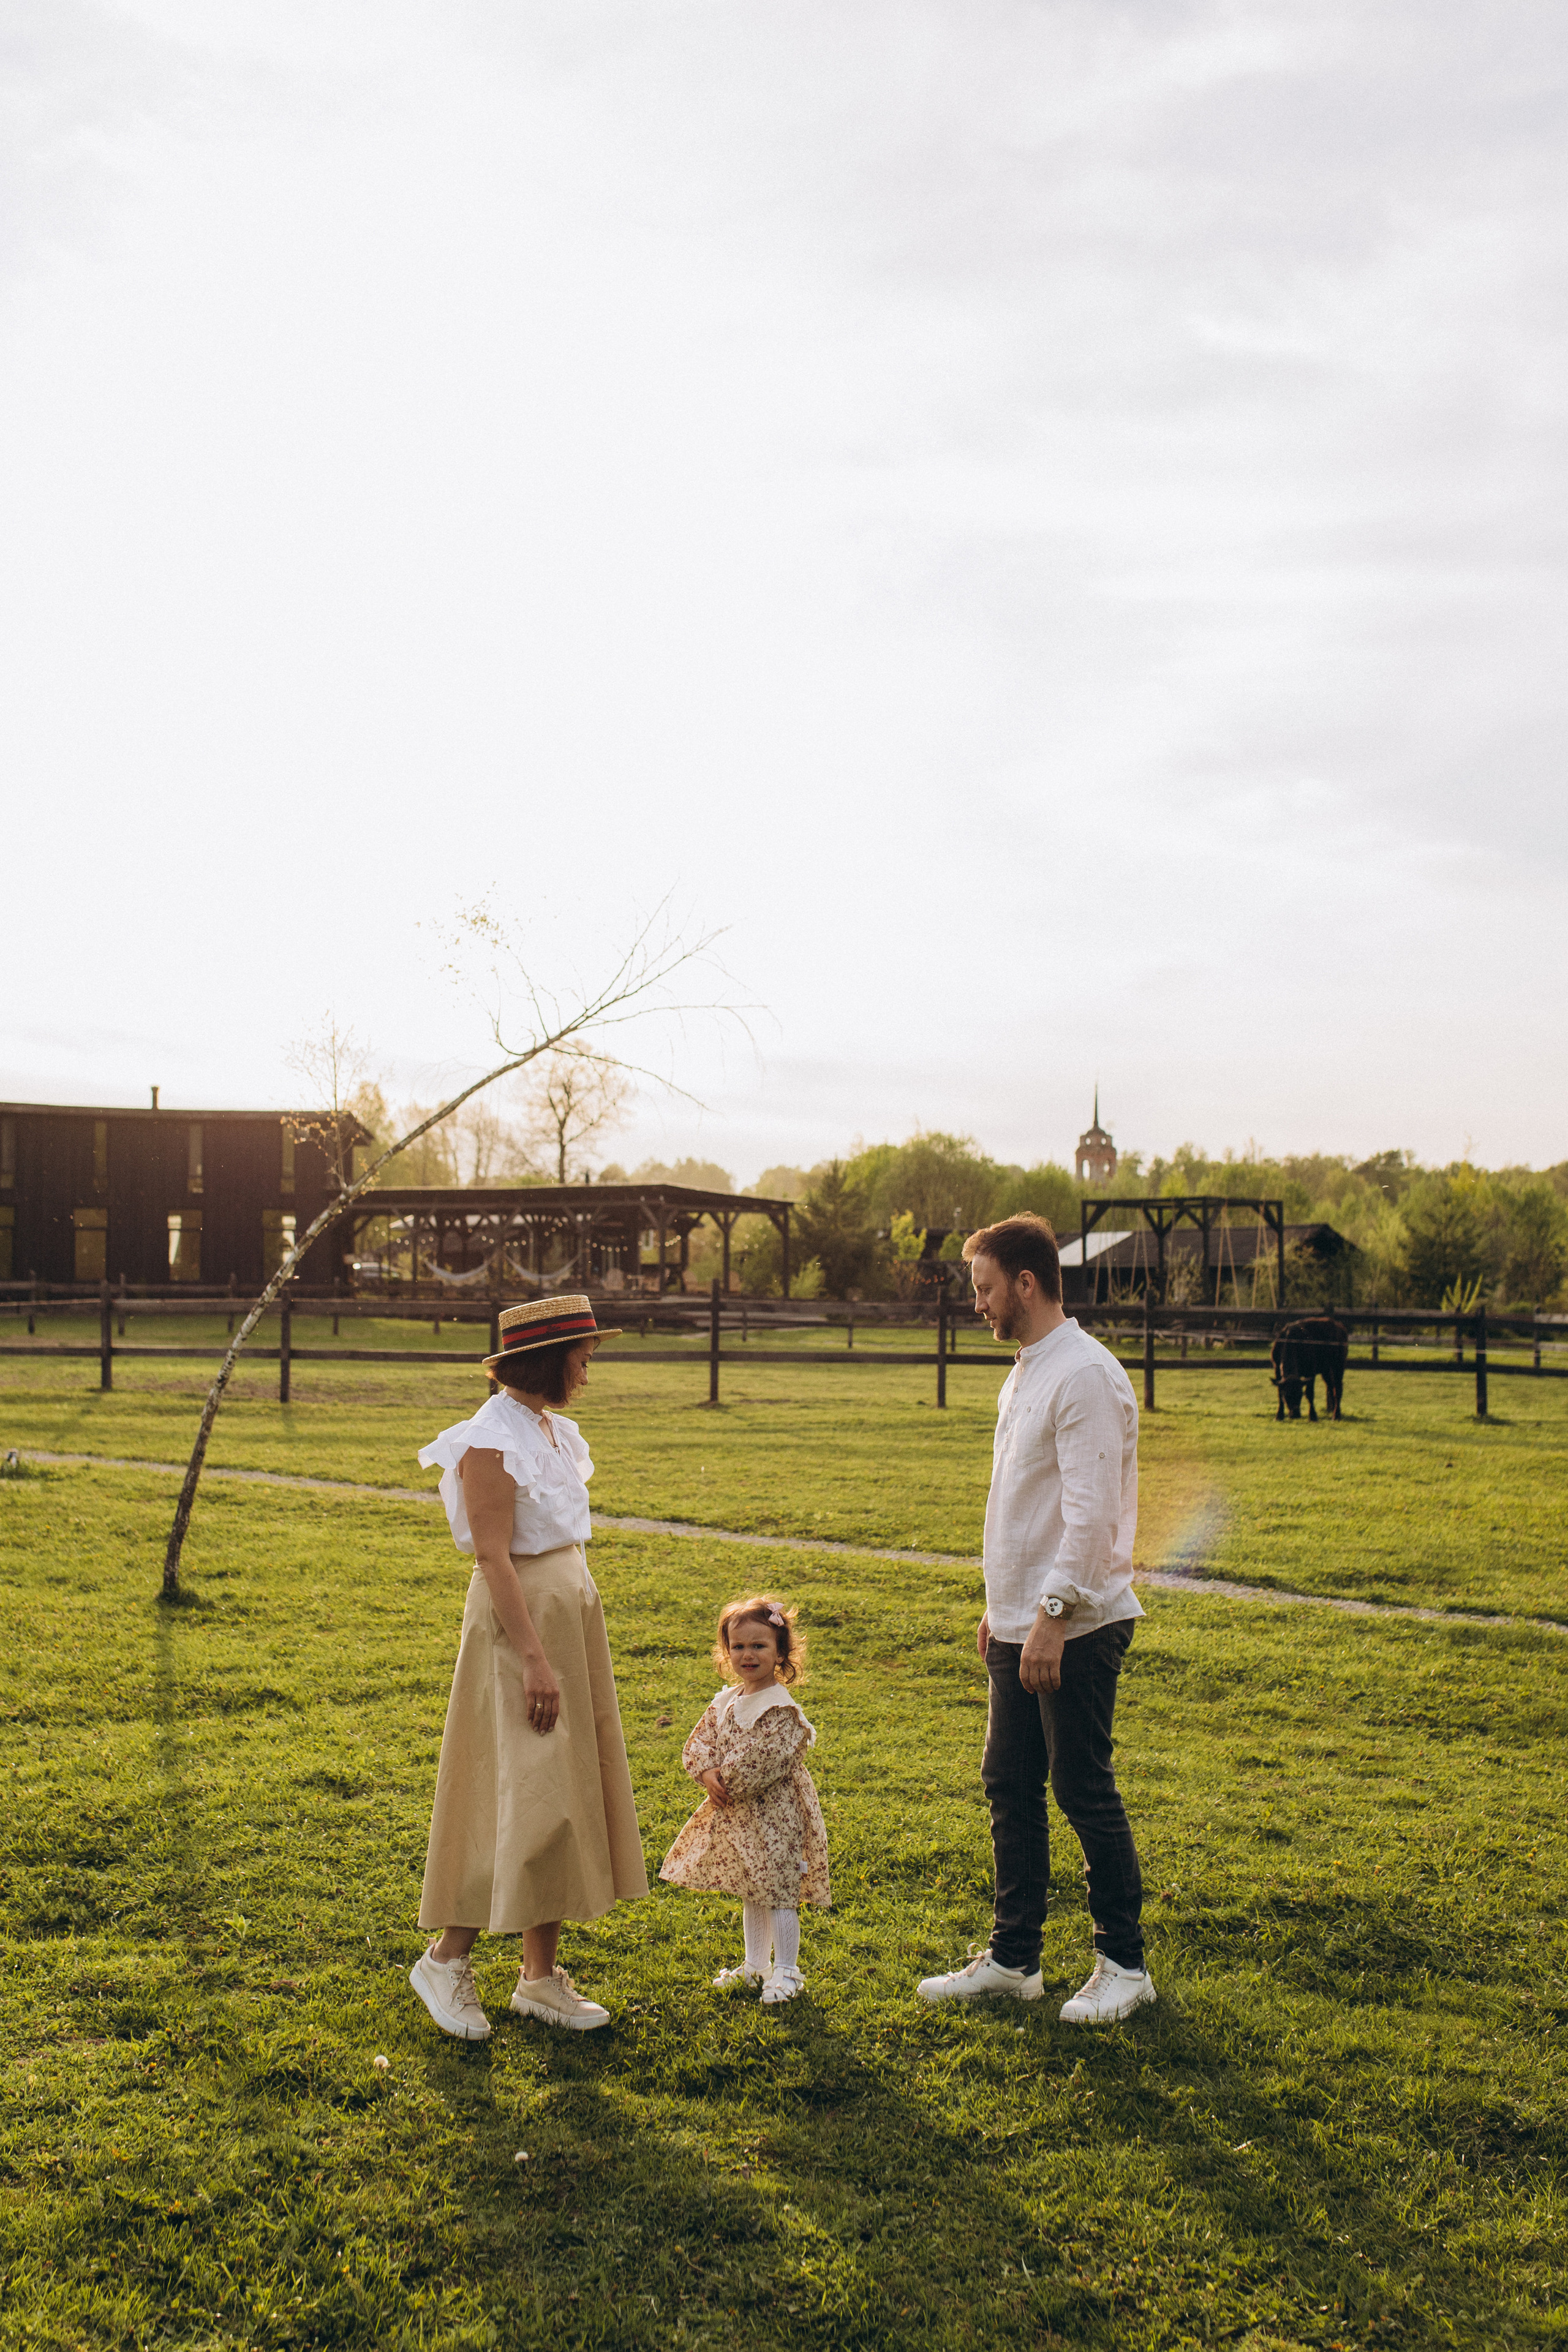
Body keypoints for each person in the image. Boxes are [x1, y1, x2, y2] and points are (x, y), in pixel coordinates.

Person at [917, 1215, 1155, 2025]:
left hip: (1077, 1624)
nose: (977, 1304)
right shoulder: (1025, 1372)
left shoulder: (1083, 1375)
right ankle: (1014, 1960)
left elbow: (1091, 1515)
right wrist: (1005, 1611)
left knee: (1082, 1789)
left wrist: (1051, 1614)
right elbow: (1023, 1506)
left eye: (985, 1288)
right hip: (1021, 1621)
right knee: (1010, 1786)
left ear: (1026, 1283)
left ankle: (1124, 1966)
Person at [407, 1294, 648, 2041]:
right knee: (521, 1787)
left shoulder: (550, 1429)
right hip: (523, 1630)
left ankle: (539, 1977)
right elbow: (493, 1556)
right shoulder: (487, 1442)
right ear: (548, 1360)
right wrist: (536, 1660)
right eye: (582, 1357)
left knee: (562, 1790)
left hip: (567, 1616)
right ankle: (445, 1960)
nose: (588, 1371)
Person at [658, 1594, 829, 2006]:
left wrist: (726, 1778)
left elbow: (762, 1761)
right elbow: (698, 1743)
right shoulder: (727, 1701)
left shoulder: (779, 1709)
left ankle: (787, 1970)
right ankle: (756, 1966)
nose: (747, 1655)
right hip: (741, 1816)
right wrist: (706, 1772)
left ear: (780, 1653)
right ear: (727, 1652)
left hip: (777, 1816)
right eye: (738, 1646)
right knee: (752, 1886)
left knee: (779, 1889)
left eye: (759, 1645)